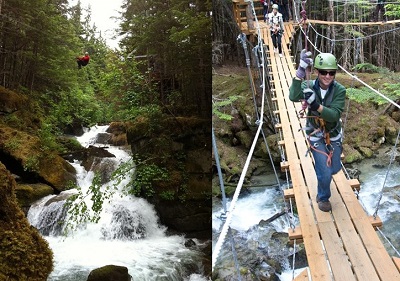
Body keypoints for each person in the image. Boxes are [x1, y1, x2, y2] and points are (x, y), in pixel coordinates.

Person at [289, 50, 346, 212]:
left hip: (333, 134)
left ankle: (323, 171)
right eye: (323, 72)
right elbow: (293, 96)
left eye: (331, 73)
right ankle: (323, 197)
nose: (327, 76)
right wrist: (300, 74)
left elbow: (334, 115)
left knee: (334, 169)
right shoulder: (309, 85)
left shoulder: (339, 90)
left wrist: (316, 106)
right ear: (317, 72)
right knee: (325, 172)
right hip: (315, 133)